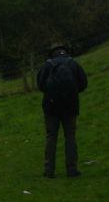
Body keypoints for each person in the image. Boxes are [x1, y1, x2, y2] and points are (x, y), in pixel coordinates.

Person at [36, 44, 87, 178]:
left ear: (52, 54)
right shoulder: (73, 64)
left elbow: (40, 85)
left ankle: (49, 170)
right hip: (70, 106)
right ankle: (72, 169)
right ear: (65, 52)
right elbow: (83, 84)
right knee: (70, 136)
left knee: (51, 137)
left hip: (51, 106)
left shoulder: (47, 65)